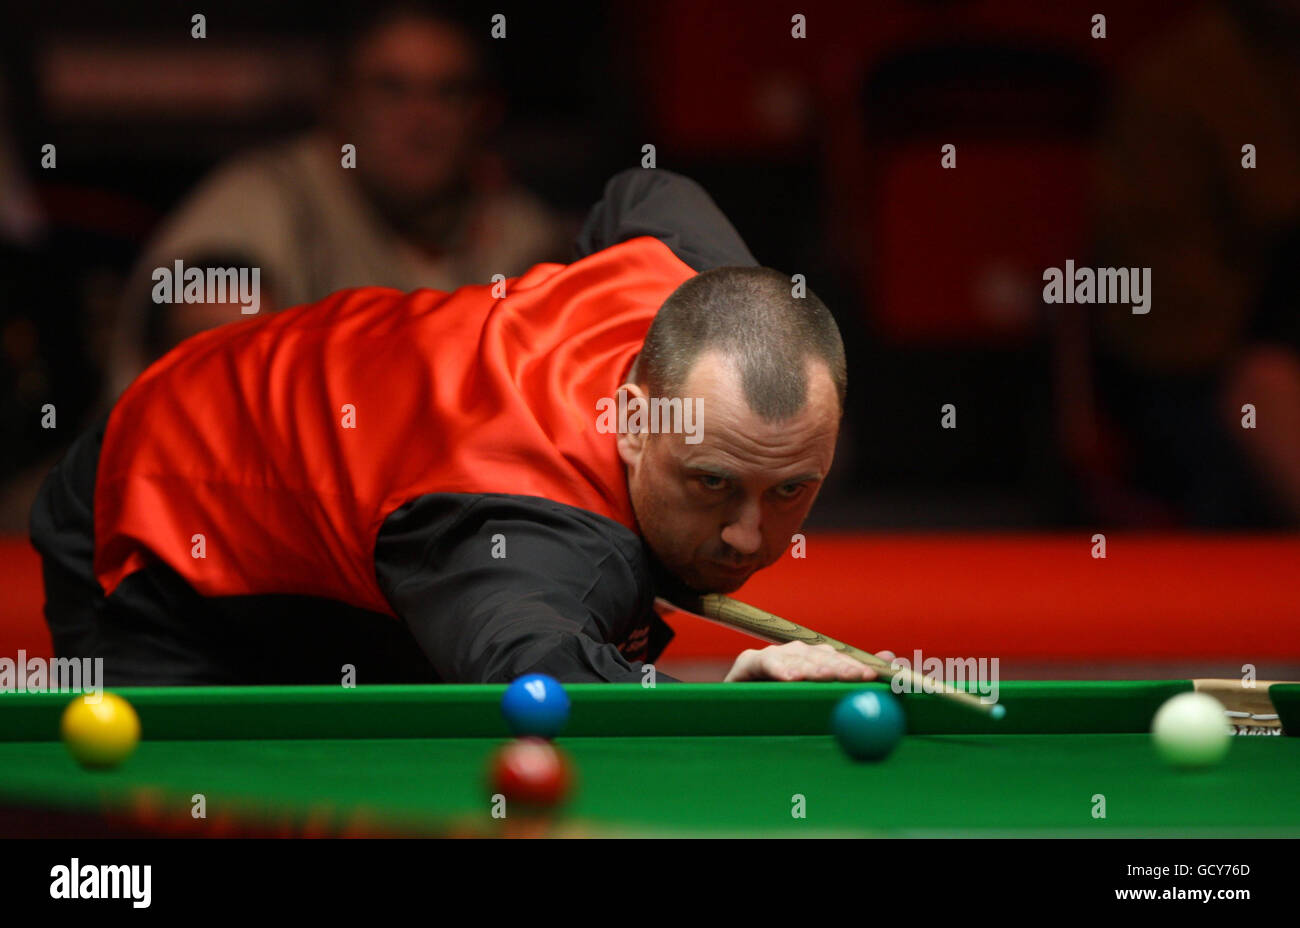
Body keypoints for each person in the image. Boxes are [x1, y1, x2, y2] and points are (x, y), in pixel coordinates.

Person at [31, 168, 888, 686]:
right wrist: (722, 700)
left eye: (789, 491)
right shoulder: (529, 534)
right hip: (161, 498)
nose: (747, 536)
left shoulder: (686, 276)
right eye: (711, 484)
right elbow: (537, 672)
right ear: (633, 418)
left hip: (365, 475)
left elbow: (649, 190)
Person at [106, 2, 570, 397]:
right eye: (392, 89)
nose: (421, 119)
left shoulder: (513, 224)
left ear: (482, 113)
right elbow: (210, 323)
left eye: (448, 93)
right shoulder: (271, 194)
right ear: (341, 102)